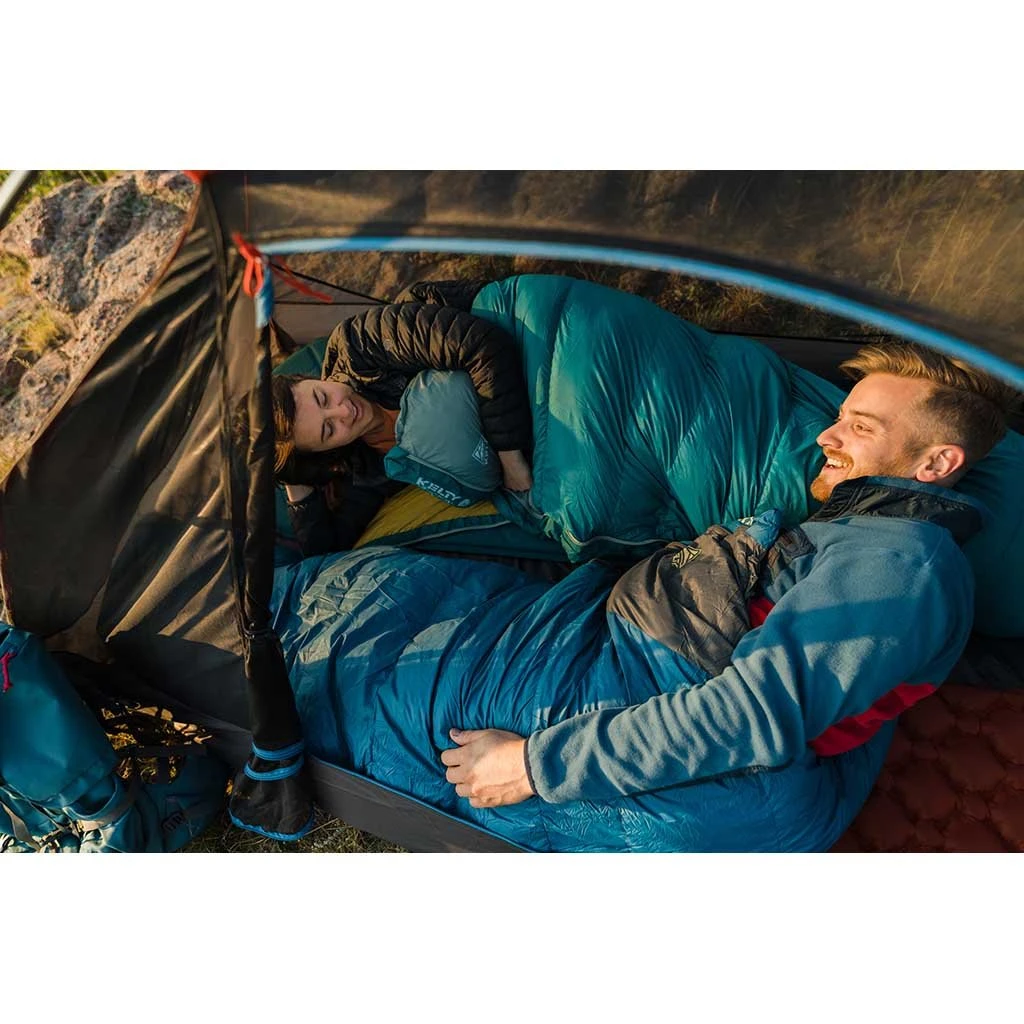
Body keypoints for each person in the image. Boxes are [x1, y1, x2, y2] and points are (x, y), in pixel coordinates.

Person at [440, 341, 1018, 810]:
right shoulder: (865, 534)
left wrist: (536, 766)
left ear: (936, 462)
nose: (826, 437)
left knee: (425, 680)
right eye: (839, 417)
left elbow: (748, 714)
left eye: (860, 427)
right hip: (639, 660)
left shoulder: (902, 567)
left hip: (655, 720)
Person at [273, 299, 534, 553]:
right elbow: (328, 548)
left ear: (305, 377)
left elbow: (482, 345)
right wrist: (294, 477)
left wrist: (511, 458)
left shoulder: (363, 343)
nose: (344, 411)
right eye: (328, 430)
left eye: (322, 397)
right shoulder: (366, 467)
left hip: (522, 350)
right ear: (326, 450)